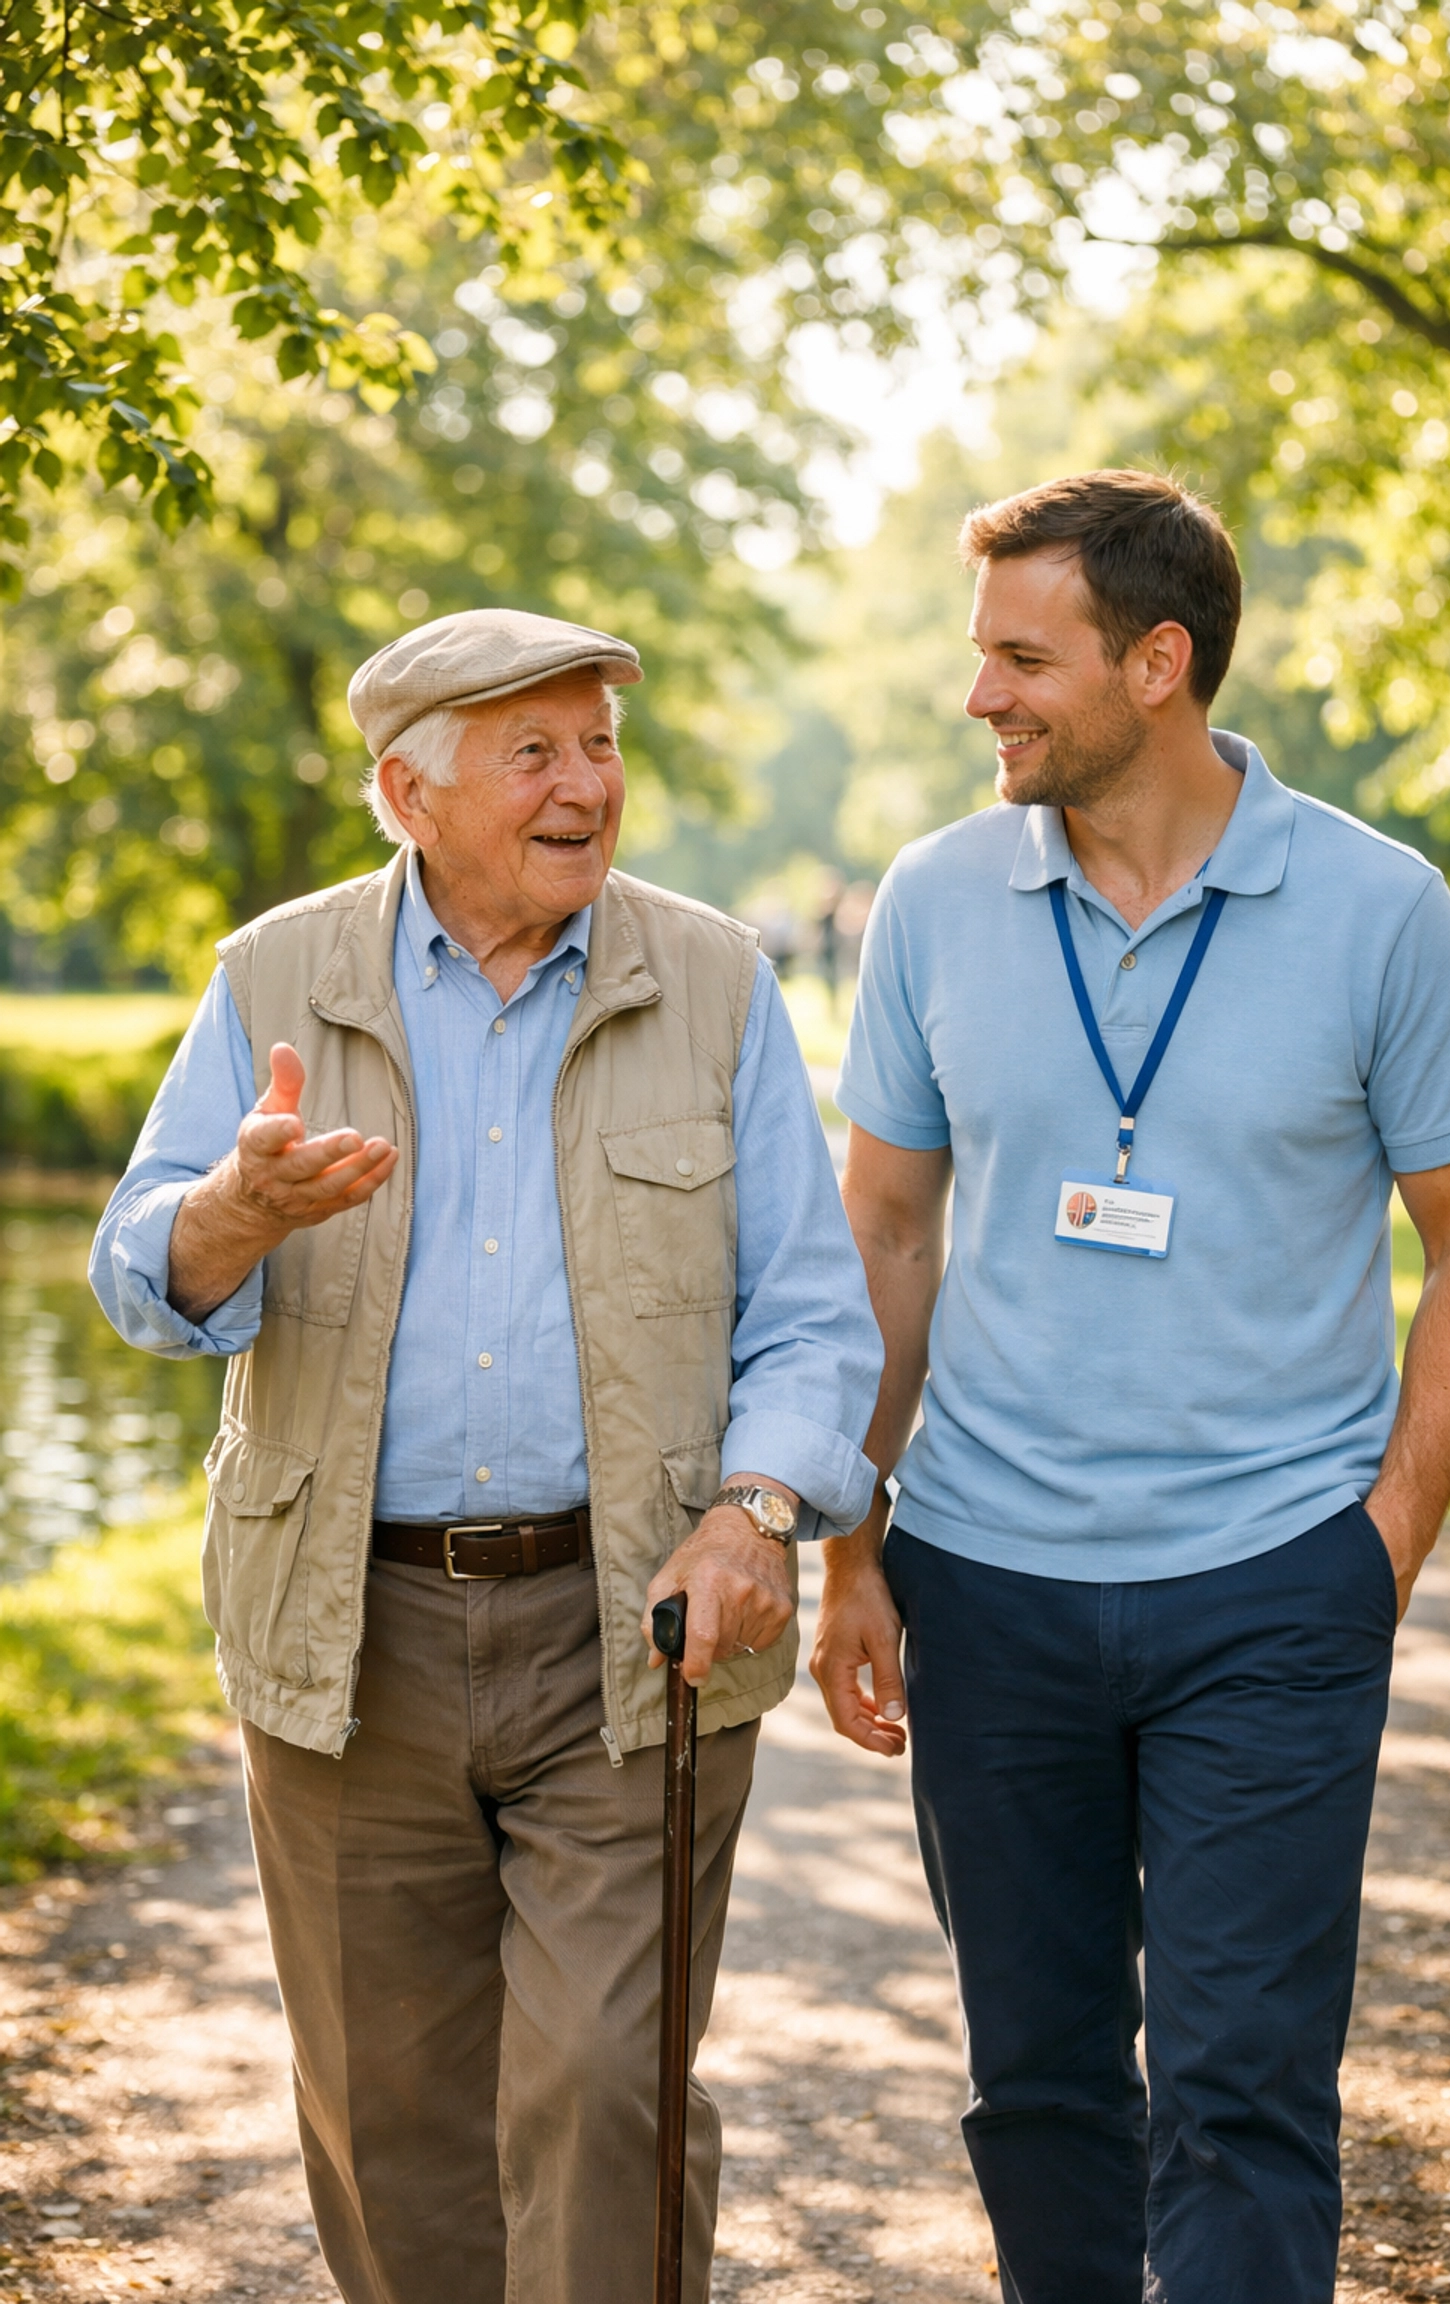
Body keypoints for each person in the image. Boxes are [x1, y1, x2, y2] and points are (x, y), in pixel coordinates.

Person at [90, 607, 883, 2304]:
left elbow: (814, 1315)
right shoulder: (273, 975)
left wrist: (757, 1516)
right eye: (535, 753)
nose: (586, 785)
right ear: (410, 793)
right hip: (348, 1637)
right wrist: (231, 1214)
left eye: (600, 745)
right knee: (390, 2123)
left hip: (631, 1626)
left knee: (601, 2086)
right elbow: (139, 1271)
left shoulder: (716, 981)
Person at [810, 470, 1450, 2304]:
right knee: (1038, 2084)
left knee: (1242, 2094)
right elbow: (883, 1234)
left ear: (1157, 663)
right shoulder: (935, 899)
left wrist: (1380, 1544)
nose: (979, 695)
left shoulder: (1380, 909)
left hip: (1275, 1587)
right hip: (986, 1583)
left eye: (1021, 658)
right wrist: (851, 1541)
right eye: (980, 655)